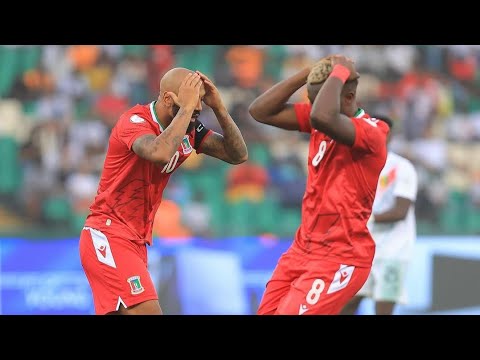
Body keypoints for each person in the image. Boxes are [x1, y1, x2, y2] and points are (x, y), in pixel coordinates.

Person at [79, 68, 248, 315]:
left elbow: (238, 155)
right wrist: (188, 110)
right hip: (108, 233)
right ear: (168, 99)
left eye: (199, 104)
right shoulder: (134, 121)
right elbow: (159, 152)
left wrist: (220, 109)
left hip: (136, 241)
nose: (197, 110)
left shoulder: (189, 127)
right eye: (189, 103)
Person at [248, 54, 390, 315]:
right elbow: (260, 111)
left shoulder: (372, 132)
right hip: (303, 249)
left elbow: (322, 116)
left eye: (318, 103)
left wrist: (339, 72)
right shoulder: (319, 120)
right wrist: (308, 73)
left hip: (341, 255)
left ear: (347, 98)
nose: (312, 110)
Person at [340, 115, 418, 315]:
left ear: (389, 135)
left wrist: (364, 219)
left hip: (393, 250)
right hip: (361, 249)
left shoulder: (402, 167)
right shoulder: (357, 164)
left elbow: (400, 211)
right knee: (347, 303)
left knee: (383, 308)